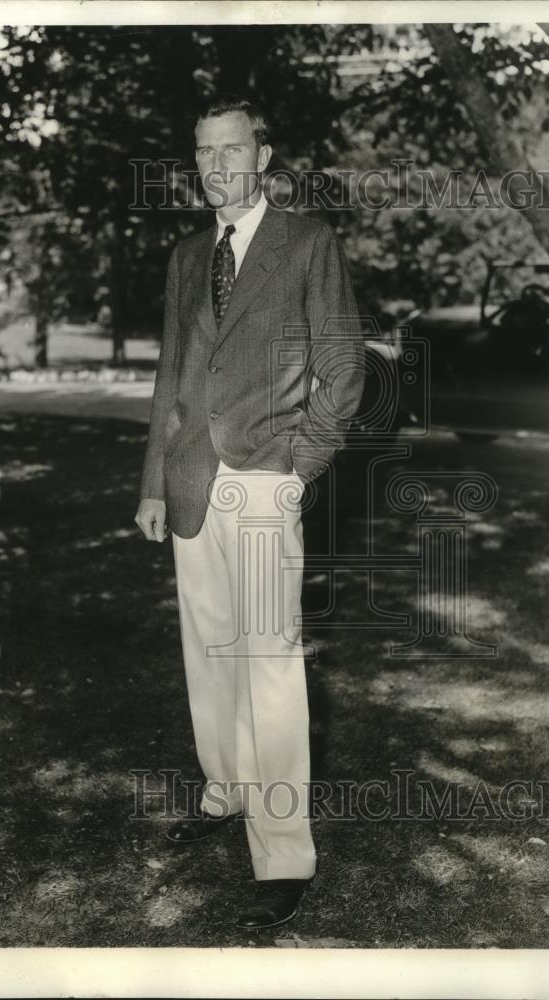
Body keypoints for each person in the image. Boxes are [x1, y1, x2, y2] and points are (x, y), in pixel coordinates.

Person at [135, 96, 365, 930]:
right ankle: (226, 790)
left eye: (231, 150)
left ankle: (283, 852)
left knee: (268, 663)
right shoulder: (189, 254)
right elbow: (172, 379)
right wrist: (154, 482)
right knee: (209, 652)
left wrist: (297, 470)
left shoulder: (307, 243)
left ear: (263, 157)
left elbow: (344, 372)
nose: (216, 167)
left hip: (268, 478)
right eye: (203, 153)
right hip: (192, 480)